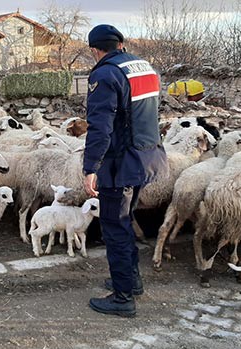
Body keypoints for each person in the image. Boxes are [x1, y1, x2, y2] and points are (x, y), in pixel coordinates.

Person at [82, 24, 168, 318]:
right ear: (120, 44)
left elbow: (100, 127)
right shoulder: (144, 67)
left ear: (96, 50)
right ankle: (131, 280)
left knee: (114, 226)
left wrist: (90, 167)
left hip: (119, 163)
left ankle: (122, 298)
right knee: (125, 219)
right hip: (146, 156)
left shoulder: (105, 74)